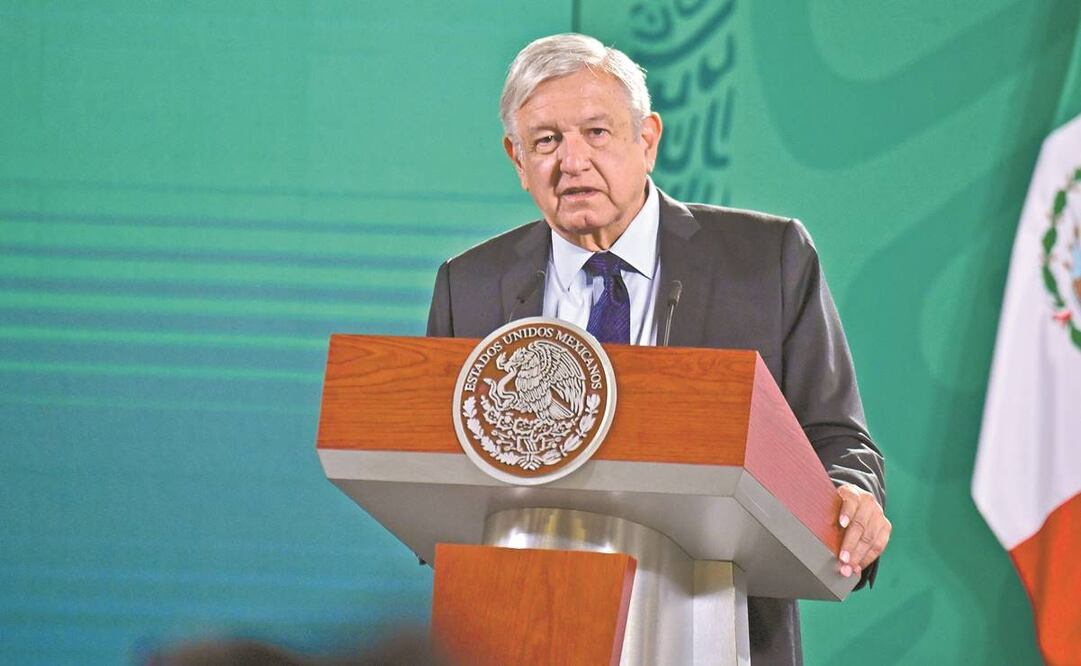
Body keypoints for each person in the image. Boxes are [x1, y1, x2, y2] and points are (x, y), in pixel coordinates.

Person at [426, 33, 889, 665]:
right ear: (516, 158)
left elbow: (835, 436)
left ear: (647, 140)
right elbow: (433, 463)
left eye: (597, 132)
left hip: (716, 617)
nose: (573, 162)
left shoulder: (765, 261)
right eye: (546, 141)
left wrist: (851, 495)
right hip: (523, 623)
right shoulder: (470, 285)